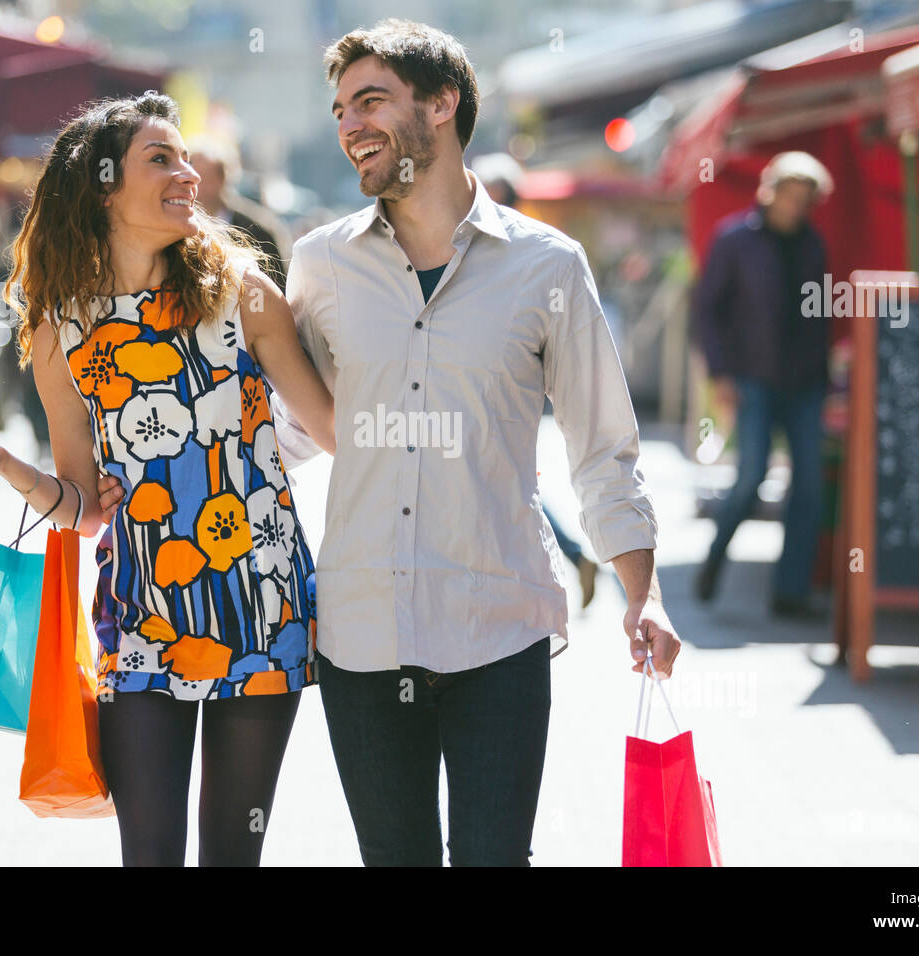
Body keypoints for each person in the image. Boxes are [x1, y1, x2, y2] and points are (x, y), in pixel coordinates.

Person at [122, 19, 676, 867]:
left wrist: (644, 593)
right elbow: (292, 428)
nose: (350, 125)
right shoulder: (319, 265)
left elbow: (604, 446)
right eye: (341, 108)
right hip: (362, 634)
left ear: (443, 104)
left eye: (371, 101)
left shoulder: (548, 268)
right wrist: (135, 478)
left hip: (499, 624)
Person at [0, 91, 336, 867]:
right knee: (148, 854)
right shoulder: (63, 327)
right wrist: (5, 464)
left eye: (186, 157)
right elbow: (83, 509)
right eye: (162, 158)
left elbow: (332, 427)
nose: (187, 173)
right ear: (104, 185)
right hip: (140, 618)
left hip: (262, 607)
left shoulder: (241, 294)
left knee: (230, 856)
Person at [691, 150, 833, 617]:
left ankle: (790, 591)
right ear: (770, 191)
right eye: (790, 194)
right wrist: (720, 374)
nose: (795, 205)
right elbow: (708, 310)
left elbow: (821, 317)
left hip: (806, 383)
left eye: (804, 197)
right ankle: (714, 560)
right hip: (752, 377)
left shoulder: (814, 245)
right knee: (750, 478)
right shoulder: (735, 240)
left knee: (809, 486)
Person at [473, 151, 601, 609]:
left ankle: (567, 556)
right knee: (506, 475)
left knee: (504, 477)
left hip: (515, 385)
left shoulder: (531, 249)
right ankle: (574, 556)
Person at [188, 136, 292, 290]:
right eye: (192, 177)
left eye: (205, 177)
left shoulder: (258, 229)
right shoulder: (176, 227)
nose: (198, 185)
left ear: (224, 178)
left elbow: (278, 286)